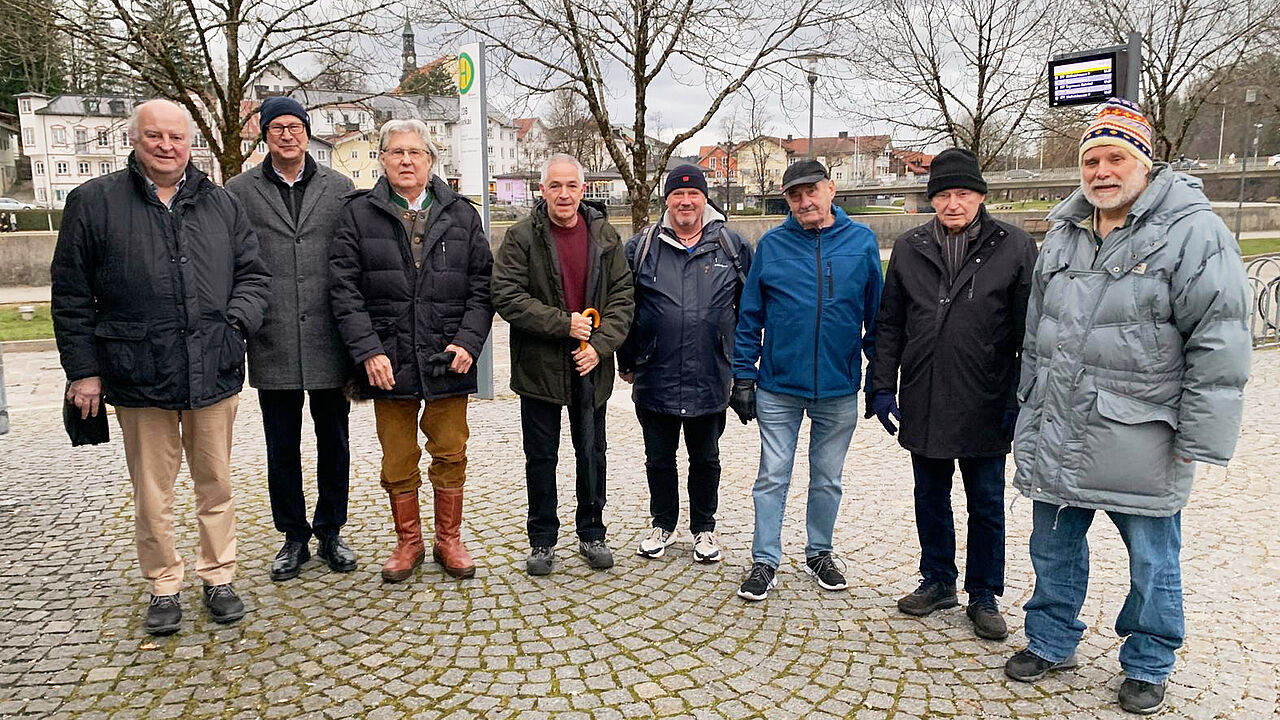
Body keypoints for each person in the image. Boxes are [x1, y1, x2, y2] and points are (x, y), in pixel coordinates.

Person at [1003, 99, 1251, 715]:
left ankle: (1148, 661)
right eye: (1091, 160)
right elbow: (1037, 333)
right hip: (1060, 422)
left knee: (1152, 557)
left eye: (1116, 157)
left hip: (1142, 429)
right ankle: (1051, 639)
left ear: (1145, 161)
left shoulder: (1194, 232)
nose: (1102, 171)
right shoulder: (1064, 232)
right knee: (1052, 546)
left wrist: (1200, 437)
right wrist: (1027, 404)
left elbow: (1219, 339)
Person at [51, 98, 270, 635]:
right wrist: (84, 372)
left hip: (212, 366)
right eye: (155, 135)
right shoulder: (94, 202)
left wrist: (235, 326)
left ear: (190, 141)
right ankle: (163, 584)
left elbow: (253, 276)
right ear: (134, 139)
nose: (166, 146)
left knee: (215, 483)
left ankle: (219, 575)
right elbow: (72, 295)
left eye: (176, 136)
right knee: (153, 491)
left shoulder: (221, 203)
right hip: (138, 369)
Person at [868, 148, 1037, 640]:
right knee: (930, 495)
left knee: (985, 502)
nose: (953, 204)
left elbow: (1030, 332)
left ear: (980, 196)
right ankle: (938, 578)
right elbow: (890, 323)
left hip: (988, 395)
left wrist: (1020, 397)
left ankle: (984, 593)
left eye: (963, 193)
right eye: (943, 195)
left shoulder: (1014, 246)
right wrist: (882, 384)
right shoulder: (911, 246)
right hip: (925, 391)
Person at [329, 118, 493, 583]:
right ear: (382, 159)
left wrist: (468, 341)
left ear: (430, 160)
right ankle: (408, 542)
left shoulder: (461, 214)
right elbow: (343, 290)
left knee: (450, 450)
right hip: (389, 357)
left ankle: (448, 539)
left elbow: (483, 286)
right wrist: (368, 351)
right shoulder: (357, 214)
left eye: (415, 152)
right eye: (396, 152)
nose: (406, 160)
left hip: (447, 354)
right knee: (398, 456)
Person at [731, 159, 882, 601]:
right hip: (779, 386)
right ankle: (765, 559)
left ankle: (820, 552)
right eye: (794, 196)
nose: (804, 202)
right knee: (772, 476)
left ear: (831, 189)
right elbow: (750, 316)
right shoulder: (773, 245)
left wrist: (880, 375)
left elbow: (877, 317)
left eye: (811, 191)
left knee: (828, 479)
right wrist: (743, 375)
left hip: (838, 386)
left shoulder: (861, 243)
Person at [226, 97, 357, 582]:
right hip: (273, 335)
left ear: (306, 132)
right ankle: (293, 535)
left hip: (328, 335)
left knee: (334, 441)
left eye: (295, 126)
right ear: (265, 135)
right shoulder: (239, 190)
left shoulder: (339, 188)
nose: (287, 135)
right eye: (277, 127)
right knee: (281, 446)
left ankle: (331, 530)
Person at [491, 153, 634, 576]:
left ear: (583, 189)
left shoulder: (605, 236)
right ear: (543, 190)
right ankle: (542, 540)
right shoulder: (521, 237)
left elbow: (623, 297)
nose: (564, 194)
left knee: (592, 453)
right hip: (539, 367)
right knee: (540, 457)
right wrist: (563, 324)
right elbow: (506, 295)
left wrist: (599, 347)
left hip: (590, 365)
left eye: (572, 185)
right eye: (555, 185)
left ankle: (592, 532)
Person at [618, 164, 752, 563]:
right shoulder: (642, 247)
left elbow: (750, 310)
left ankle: (704, 528)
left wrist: (742, 365)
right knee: (659, 458)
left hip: (710, 371)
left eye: (693, 194)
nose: (686, 201)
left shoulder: (731, 245)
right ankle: (663, 523)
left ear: (704, 199)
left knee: (706, 458)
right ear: (667, 200)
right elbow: (624, 309)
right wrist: (627, 360)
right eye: (678, 194)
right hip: (655, 372)